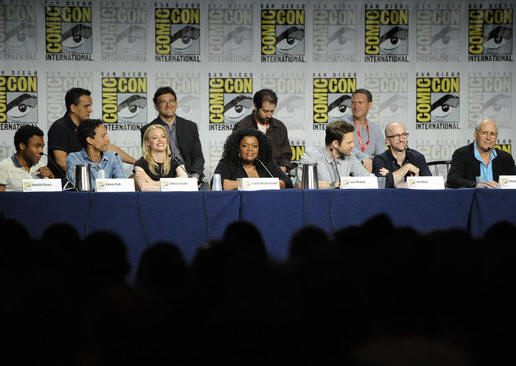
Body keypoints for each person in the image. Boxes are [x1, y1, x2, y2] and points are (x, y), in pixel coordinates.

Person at [47, 88, 135, 178]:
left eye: (90, 106)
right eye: (86, 106)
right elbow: (62, 162)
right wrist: (91, 180)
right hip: (68, 187)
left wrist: (135, 162)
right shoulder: (59, 128)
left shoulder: (86, 126)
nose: (90, 110)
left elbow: (105, 145)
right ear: (73, 108)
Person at [141, 87, 204, 181]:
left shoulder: (190, 126)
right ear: (156, 106)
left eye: (171, 100)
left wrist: (195, 176)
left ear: (176, 103)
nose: (168, 105)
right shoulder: (148, 129)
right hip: (162, 177)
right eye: (163, 102)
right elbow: (148, 157)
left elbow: (198, 157)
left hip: (190, 175)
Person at [297, 120, 372, 189]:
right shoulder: (312, 156)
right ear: (335, 144)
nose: (353, 145)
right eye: (349, 142)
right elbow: (302, 184)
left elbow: (368, 179)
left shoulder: (350, 157)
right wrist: (337, 184)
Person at [234, 89, 293, 173]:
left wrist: (283, 168)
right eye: (265, 111)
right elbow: (235, 155)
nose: (269, 115)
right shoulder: (241, 127)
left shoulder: (280, 127)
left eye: (272, 111)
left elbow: (286, 154)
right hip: (249, 176)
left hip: (275, 176)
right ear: (255, 106)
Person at [213, 128, 293, 190]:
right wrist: (259, 184)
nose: (250, 149)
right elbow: (217, 183)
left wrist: (250, 184)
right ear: (237, 147)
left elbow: (288, 183)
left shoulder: (266, 163)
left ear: (260, 148)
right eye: (245, 145)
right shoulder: (227, 163)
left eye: (254, 146)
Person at [447, 118, 516, 188]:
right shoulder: (462, 154)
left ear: (496, 137)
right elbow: (452, 180)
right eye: (484, 133)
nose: (488, 137)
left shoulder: (506, 158)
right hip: (472, 198)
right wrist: (478, 185)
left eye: (492, 134)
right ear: (476, 135)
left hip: (500, 198)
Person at [66, 119, 126, 189]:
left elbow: (123, 185)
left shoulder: (113, 156)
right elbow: (81, 186)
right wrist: (109, 186)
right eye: (103, 136)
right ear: (90, 140)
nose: (108, 140)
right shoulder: (74, 158)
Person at [373, 122, 432, 188]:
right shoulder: (380, 159)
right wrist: (407, 167)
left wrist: (392, 177)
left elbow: (430, 183)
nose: (401, 139)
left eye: (404, 135)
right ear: (387, 141)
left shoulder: (418, 157)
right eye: (396, 136)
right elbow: (382, 185)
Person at [134, 124, 188, 191]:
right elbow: (144, 188)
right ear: (147, 142)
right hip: (150, 199)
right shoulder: (140, 164)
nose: (160, 140)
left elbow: (185, 181)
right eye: (155, 138)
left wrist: (152, 182)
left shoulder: (175, 160)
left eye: (163, 137)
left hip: (172, 199)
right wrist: (174, 185)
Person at [0, 125, 54, 191]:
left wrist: (51, 177)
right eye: (37, 146)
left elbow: (51, 197)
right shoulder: (3, 167)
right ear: (22, 146)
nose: (41, 151)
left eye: (42, 147)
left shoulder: (41, 167)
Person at [347, 88, 385, 172]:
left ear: (369, 105)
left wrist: (379, 166)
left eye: (360, 102)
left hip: (369, 171)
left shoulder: (376, 128)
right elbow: (345, 146)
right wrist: (364, 158)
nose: (356, 106)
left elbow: (381, 154)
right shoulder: (342, 124)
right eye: (353, 103)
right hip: (347, 170)